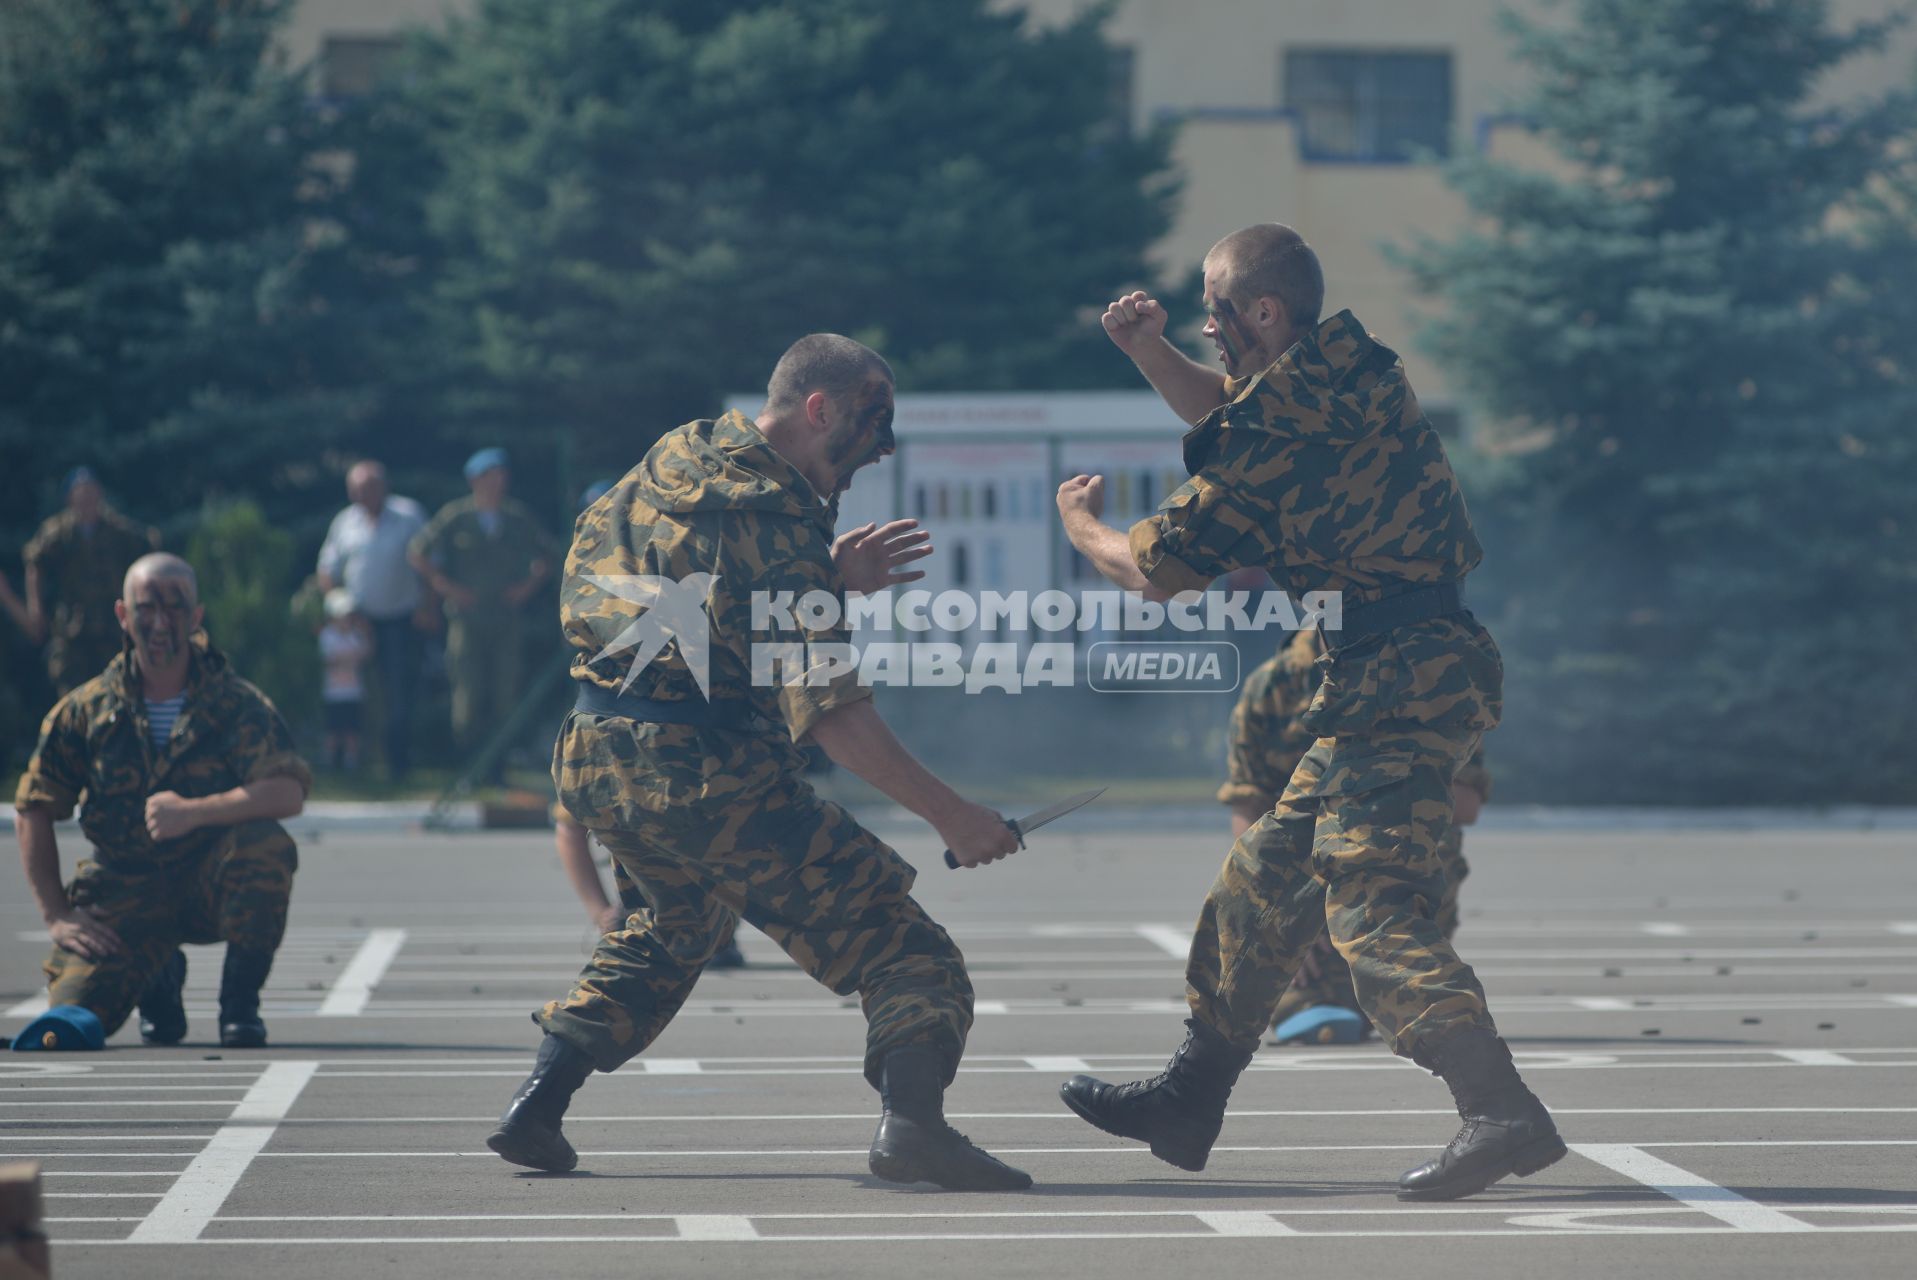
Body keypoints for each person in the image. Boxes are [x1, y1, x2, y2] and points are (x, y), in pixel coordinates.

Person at [1050, 223, 1561, 1201]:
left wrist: (1080, 525)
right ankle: (1190, 1099)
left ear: (1265, 313)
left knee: (1369, 904)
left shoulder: (1275, 443)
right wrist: (1149, 350)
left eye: (1215, 311)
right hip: (1400, 667)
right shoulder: (1351, 368)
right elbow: (1238, 406)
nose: (1207, 325)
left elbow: (1152, 570)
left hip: (1398, 676)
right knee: (1260, 884)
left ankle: (1499, 1107)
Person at [487, 334, 1030, 1192]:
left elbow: (670, 602)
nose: (881, 446)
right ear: (819, 409)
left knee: (671, 930)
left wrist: (823, 576)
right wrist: (954, 817)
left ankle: (535, 1109)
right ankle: (914, 1130)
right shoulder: (774, 524)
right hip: (708, 772)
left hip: (600, 753)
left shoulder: (678, 458)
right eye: (872, 419)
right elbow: (832, 717)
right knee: (905, 952)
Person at [11, 554, 310, 1051]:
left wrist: (194, 812)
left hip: (208, 881)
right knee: (66, 1023)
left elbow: (287, 790)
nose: (160, 622)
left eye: (175, 608)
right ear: (123, 616)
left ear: (196, 617)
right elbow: (34, 805)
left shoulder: (237, 704)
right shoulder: (88, 708)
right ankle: (159, 978)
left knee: (265, 845)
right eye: (146, 607)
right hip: (124, 889)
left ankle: (239, 1004)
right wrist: (56, 913)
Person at [1220, 627, 1488, 1045]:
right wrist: (1279, 915)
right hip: (1303, 872)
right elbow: (1247, 812)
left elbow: (1466, 803)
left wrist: (1369, 783)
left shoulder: (1427, 674)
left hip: (1390, 863)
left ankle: (1396, 971)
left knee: (1419, 1016)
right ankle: (1335, 986)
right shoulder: (1273, 685)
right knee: (1312, 1020)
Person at [408, 449, 560, 769]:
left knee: (506, 693)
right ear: (475, 480)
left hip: (506, 619)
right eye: (491, 476)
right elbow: (418, 553)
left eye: (502, 475)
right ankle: (468, 764)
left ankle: (497, 766)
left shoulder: (516, 517)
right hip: (467, 619)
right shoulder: (456, 516)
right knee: (468, 695)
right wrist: (447, 587)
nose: (498, 482)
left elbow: (548, 556)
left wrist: (526, 588)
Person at [316, 461, 429, 781]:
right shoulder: (345, 522)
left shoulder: (409, 516)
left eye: (367, 488)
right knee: (350, 694)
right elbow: (327, 571)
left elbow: (430, 563)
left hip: (401, 620)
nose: (361, 495)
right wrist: (342, 610)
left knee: (398, 692)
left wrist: (428, 606)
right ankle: (355, 762)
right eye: (356, 490)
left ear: (383, 486)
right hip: (356, 623)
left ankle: (398, 763)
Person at [21, 467, 160, 696]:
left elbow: (149, 550)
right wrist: (35, 607)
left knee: (119, 689)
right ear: (70, 499)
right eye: (81, 495)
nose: (86, 501)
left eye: (91, 494)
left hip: (111, 626)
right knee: (72, 694)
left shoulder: (118, 531)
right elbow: (34, 562)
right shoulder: (60, 532)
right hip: (74, 628)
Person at [318, 588, 372, 774]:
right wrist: (350, 657)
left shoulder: (356, 636)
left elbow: (364, 654)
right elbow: (331, 659)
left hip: (353, 691)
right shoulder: (328, 636)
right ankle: (330, 761)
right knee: (333, 730)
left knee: (352, 731)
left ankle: (351, 762)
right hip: (334, 692)